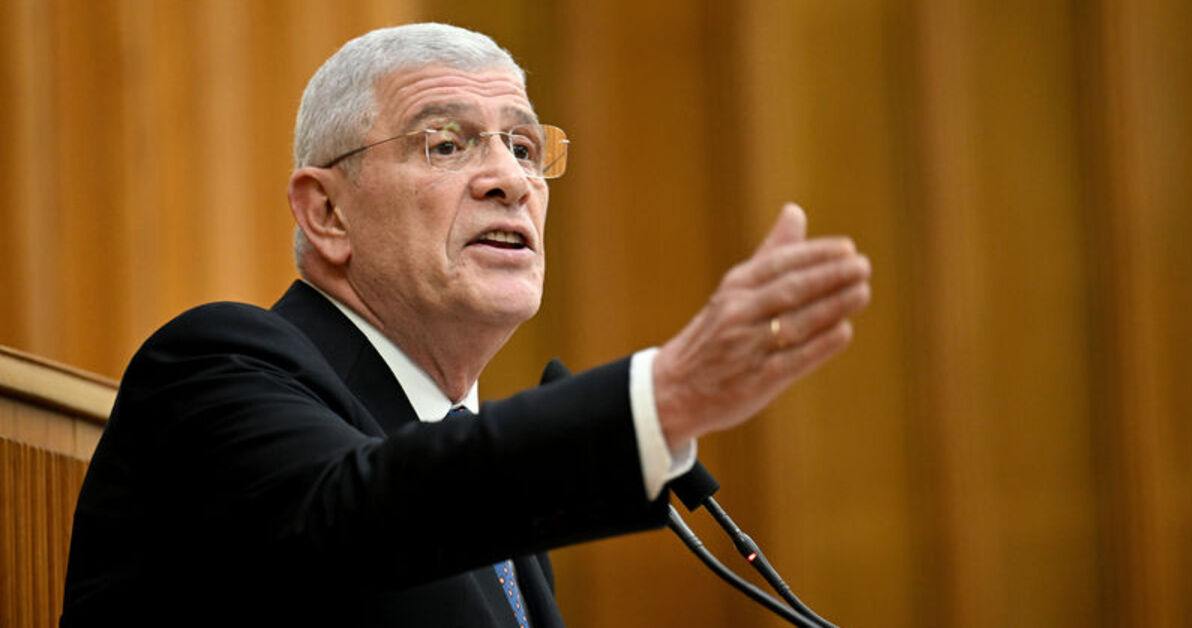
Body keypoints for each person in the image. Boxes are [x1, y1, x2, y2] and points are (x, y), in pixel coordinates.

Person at [60, 23, 871, 627]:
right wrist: (659, 400)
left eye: (524, 147)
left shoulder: (484, 483)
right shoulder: (213, 367)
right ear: (328, 211)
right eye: (447, 145)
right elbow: (363, 517)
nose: (509, 180)